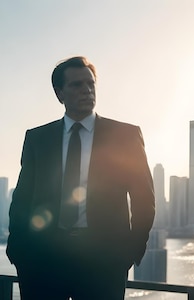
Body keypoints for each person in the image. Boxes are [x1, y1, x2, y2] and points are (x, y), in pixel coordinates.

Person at [6, 56, 155, 300]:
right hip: (43, 263)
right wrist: (19, 253)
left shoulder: (125, 136)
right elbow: (22, 198)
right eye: (77, 85)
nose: (87, 90)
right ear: (59, 93)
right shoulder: (37, 138)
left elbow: (144, 199)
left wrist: (128, 254)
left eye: (90, 83)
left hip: (103, 265)